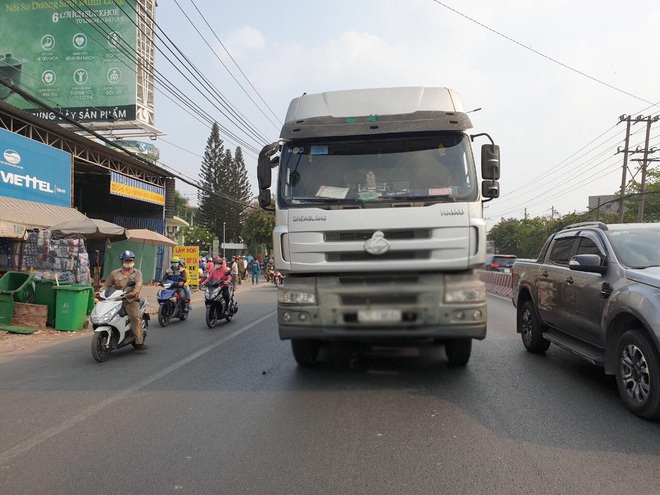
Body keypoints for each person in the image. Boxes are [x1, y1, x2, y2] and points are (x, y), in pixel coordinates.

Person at [103, 250, 147, 351]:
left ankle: (139, 342)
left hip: (130, 300)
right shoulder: (115, 273)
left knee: (135, 318)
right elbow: (107, 285)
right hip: (115, 300)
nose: (128, 261)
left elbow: (139, 283)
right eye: (126, 260)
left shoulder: (137, 273)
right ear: (122, 261)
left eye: (130, 260)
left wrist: (135, 292)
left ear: (133, 261)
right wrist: (100, 292)